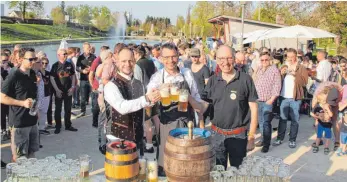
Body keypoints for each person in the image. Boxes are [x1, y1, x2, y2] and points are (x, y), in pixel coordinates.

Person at [146, 43, 202, 176]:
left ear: (178, 56)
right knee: (167, 163)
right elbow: (147, 104)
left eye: (174, 56)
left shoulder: (187, 74)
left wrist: (188, 97)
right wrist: (157, 93)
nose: (170, 61)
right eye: (166, 57)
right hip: (167, 126)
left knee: (187, 163)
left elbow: (198, 102)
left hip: (187, 124)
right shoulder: (157, 78)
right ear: (160, 58)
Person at [203, 45, 258, 169]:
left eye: (228, 58)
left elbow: (254, 109)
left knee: (237, 172)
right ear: (217, 60)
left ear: (234, 59)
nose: (225, 62)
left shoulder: (245, 79)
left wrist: (251, 136)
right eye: (221, 59)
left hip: (238, 135)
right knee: (218, 173)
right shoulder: (212, 80)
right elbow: (203, 108)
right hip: (216, 135)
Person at [103, 47, 161, 157]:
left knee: (138, 171)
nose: (127, 64)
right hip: (118, 138)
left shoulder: (139, 83)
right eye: (123, 61)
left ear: (134, 61)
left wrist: (154, 98)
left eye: (130, 60)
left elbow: (143, 108)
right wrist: (146, 99)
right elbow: (122, 107)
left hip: (137, 137)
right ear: (117, 62)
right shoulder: (111, 86)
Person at [1, 48, 39, 161]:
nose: (33, 62)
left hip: (32, 121)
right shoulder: (13, 75)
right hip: (19, 123)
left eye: (35, 59)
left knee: (32, 154)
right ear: (22, 59)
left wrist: (36, 111)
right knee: (20, 158)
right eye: (31, 59)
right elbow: (2, 98)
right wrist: (22, 103)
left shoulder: (32, 73)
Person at [273, 48, 308, 148]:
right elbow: (277, 80)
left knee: (294, 119)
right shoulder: (284, 66)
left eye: (292, 57)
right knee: (282, 118)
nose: (290, 59)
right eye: (288, 57)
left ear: (296, 56)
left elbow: (304, 82)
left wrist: (295, 74)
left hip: (295, 97)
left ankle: (292, 140)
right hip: (283, 96)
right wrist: (281, 74)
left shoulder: (301, 67)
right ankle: (280, 138)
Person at [252, 52, 282, 153]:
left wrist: (271, 100)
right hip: (258, 100)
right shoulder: (259, 70)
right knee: (260, 122)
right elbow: (254, 82)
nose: (264, 62)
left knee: (266, 123)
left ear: (270, 60)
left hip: (267, 101)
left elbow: (277, 86)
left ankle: (266, 144)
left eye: (266, 60)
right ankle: (263, 139)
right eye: (262, 60)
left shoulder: (274, 70)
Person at [134, 45, 159, 153]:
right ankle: (159, 139)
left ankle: (149, 145)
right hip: (154, 92)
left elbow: (137, 82)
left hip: (145, 95)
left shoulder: (137, 65)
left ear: (138, 54)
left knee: (147, 121)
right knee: (156, 118)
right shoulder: (151, 62)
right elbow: (156, 74)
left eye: (134, 54)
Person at [50, 49, 78, 134]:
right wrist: (57, 90)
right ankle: (58, 126)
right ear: (59, 55)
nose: (66, 55)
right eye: (64, 54)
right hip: (59, 91)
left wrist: (72, 87)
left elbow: (73, 76)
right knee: (58, 109)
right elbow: (52, 78)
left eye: (66, 54)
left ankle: (68, 125)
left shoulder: (69, 64)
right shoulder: (55, 65)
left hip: (68, 90)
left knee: (68, 109)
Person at [88, 46, 110, 128]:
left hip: (103, 87)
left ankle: (103, 121)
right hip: (97, 88)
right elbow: (91, 74)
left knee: (102, 106)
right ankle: (95, 122)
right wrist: (92, 85)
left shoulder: (106, 62)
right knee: (95, 107)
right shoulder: (97, 61)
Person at [76, 42, 96, 117]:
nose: (88, 49)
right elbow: (77, 68)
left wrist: (91, 69)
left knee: (93, 96)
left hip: (92, 79)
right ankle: (83, 111)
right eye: (87, 48)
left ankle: (94, 111)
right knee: (83, 97)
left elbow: (97, 66)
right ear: (83, 48)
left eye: (89, 48)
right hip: (83, 79)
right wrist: (82, 71)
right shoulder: (80, 57)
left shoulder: (93, 57)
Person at [1, 53, 11, 141]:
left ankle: (10, 131)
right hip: (1, 97)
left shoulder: (11, 69)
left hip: (9, 96)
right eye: (3, 61)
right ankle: (3, 131)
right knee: (2, 115)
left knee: (10, 114)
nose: (5, 63)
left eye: (6, 60)